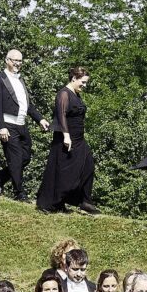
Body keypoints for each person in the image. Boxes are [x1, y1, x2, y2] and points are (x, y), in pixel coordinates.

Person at [36, 66, 95, 212]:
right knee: (64, 173)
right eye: (83, 82)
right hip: (67, 137)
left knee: (88, 166)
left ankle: (84, 201)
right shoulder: (63, 94)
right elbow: (61, 115)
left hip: (79, 138)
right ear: (74, 78)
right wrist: (66, 136)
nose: (84, 85)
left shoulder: (76, 94)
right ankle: (53, 204)